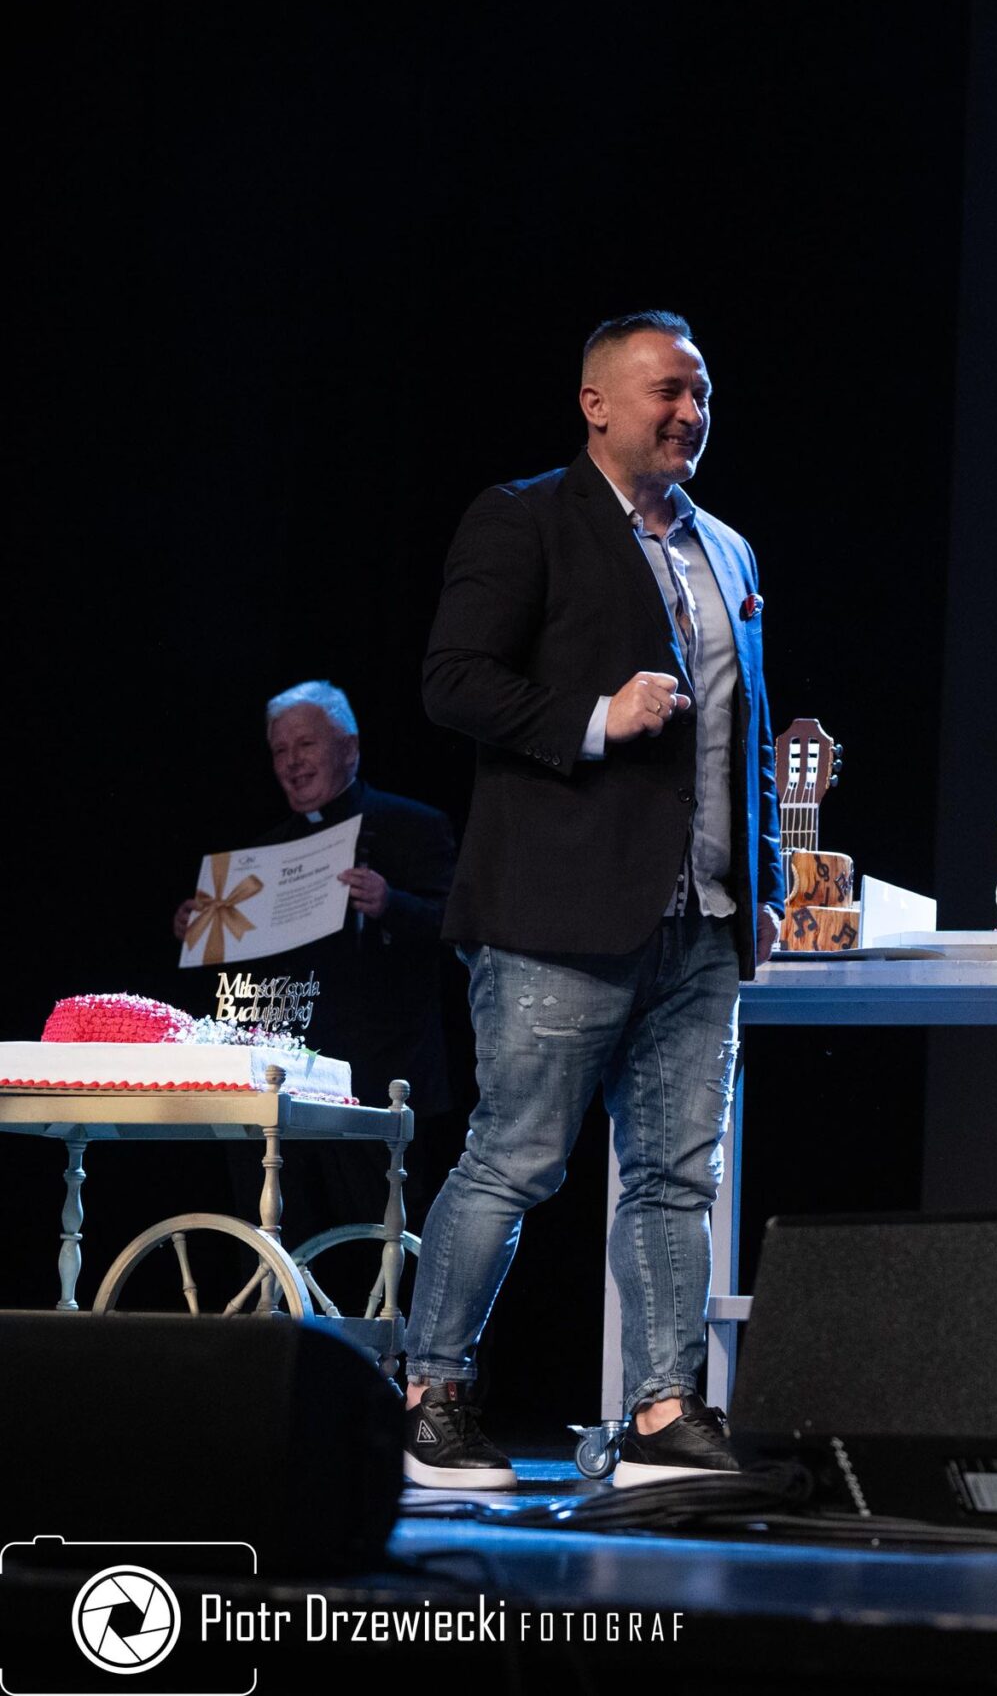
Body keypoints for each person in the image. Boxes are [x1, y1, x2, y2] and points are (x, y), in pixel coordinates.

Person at [401, 310, 784, 1490]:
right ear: (596, 403)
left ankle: (662, 1411)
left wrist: (762, 879)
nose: (690, 414)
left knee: (677, 1176)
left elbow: (749, 730)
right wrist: (592, 718)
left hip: (700, 921)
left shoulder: (728, 550)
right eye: (668, 391)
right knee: (515, 1160)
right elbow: (452, 681)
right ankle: (429, 1396)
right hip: (556, 913)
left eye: (702, 394)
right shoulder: (524, 518)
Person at [172, 681, 457, 1234]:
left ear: (349, 748)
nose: (292, 762)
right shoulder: (261, 853)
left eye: (305, 744)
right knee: (277, 1240)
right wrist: (201, 929)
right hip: (281, 1085)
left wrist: (390, 903)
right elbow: (247, 972)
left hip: (376, 1082)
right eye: (280, 750)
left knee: (378, 1245)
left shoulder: (412, 825)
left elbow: (456, 928)